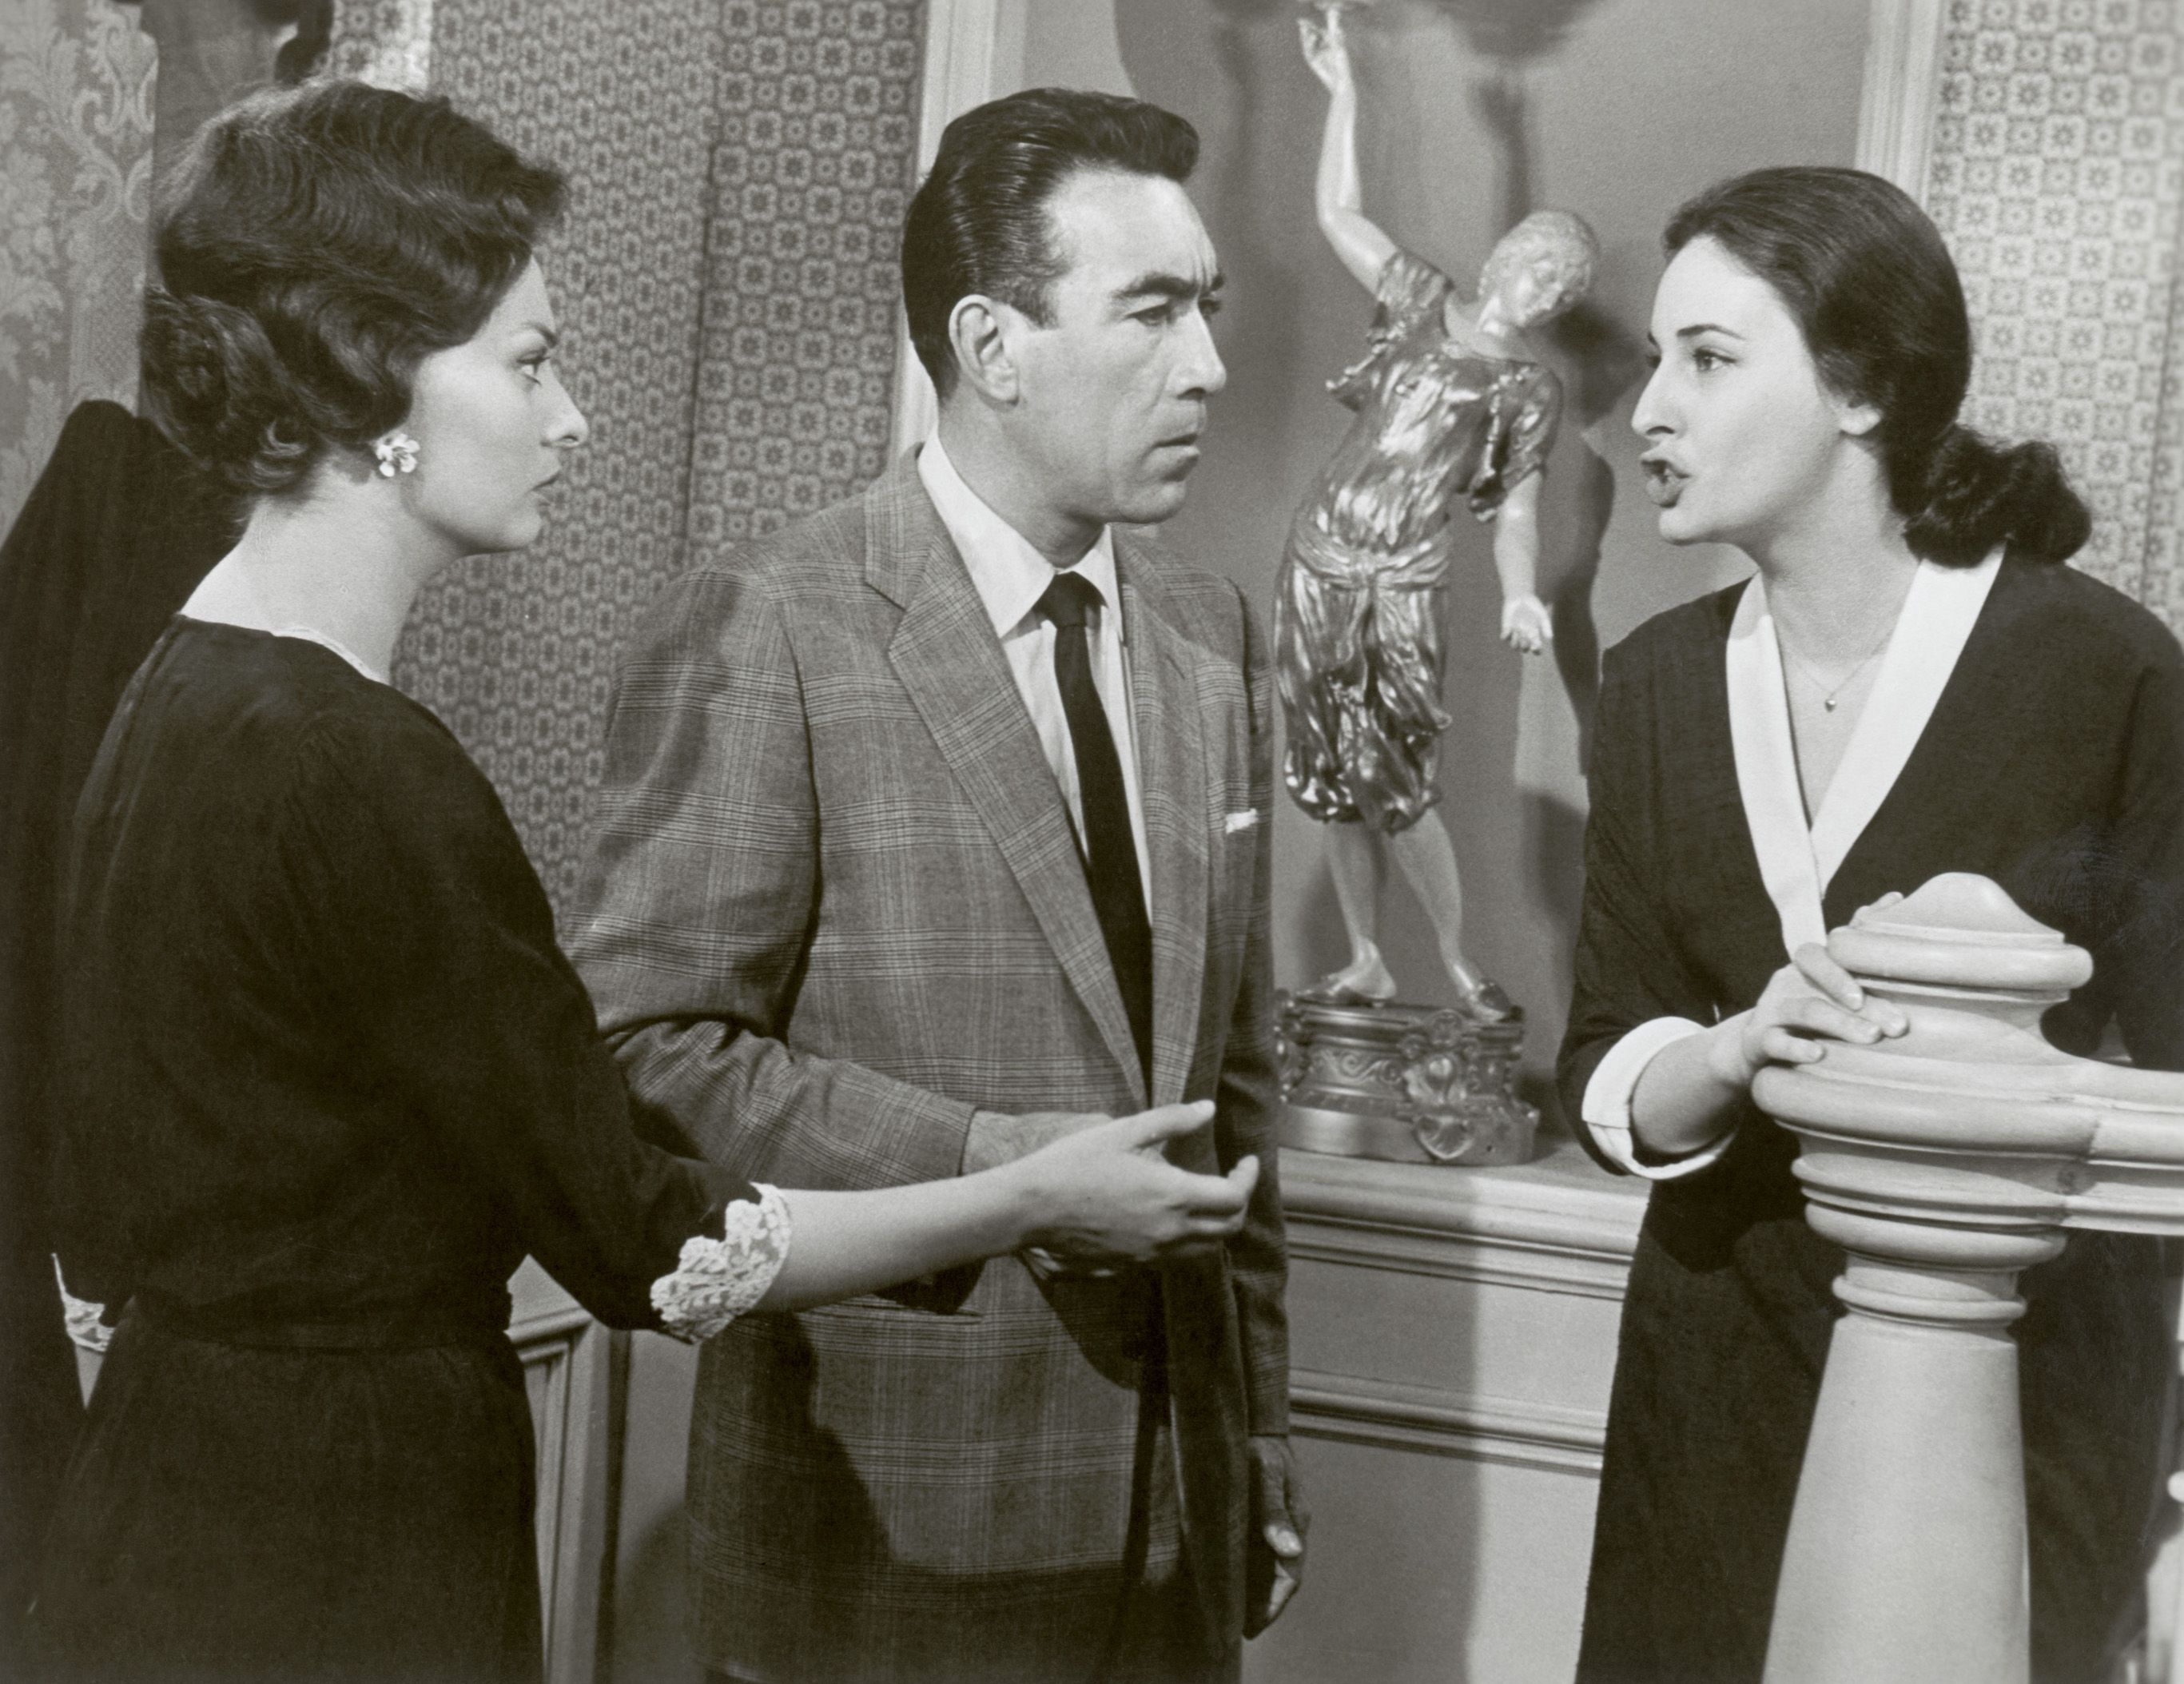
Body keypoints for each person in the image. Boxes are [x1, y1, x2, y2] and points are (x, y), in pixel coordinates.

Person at [33, 80, 1260, 1684]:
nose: (570, 420)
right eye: (528, 364)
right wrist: (1022, 1189)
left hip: (181, 1491)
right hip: (335, 1534)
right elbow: (633, 1228)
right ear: (371, 373)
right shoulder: (358, 763)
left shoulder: (177, 687)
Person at [569, 87, 1300, 1684]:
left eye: (1208, 309)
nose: (1206, 366)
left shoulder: (1211, 633)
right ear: (990, 345)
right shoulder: (770, 621)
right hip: (883, 1537)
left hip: (1172, 1532)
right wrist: (993, 1165)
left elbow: (1231, 1089)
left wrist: (1254, 1445)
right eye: (1152, 312)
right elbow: (646, 1051)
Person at [1559, 164, 2184, 1684]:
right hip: (1710, 1389)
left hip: (2020, 1403)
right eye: (1654, 359)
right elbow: (1606, 1061)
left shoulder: (2100, 672)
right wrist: (1733, 1047)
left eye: (1709, 359)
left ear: (1861, 387)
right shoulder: (1652, 684)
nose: (1648, 410)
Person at [1283, 5, 1597, 1014]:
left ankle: (1457, 964)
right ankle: (1367, 957)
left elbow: (1515, 511)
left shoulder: (1528, 388)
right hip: (1322, 551)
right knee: (1331, 769)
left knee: (1401, 776)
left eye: (1565, 284)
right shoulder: (1419, 299)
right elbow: (1340, 213)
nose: (1546, 287)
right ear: (1504, 254)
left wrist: (1522, 593)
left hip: (1407, 573)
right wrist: (1347, 92)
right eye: (1540, 261)